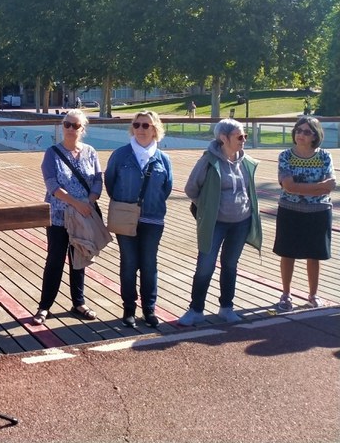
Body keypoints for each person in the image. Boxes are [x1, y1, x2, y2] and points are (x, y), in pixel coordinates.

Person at [180, 119, 262, 325]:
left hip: (241, 223)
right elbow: (191, 189)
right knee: (205, 266)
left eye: (244, 136)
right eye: (239, 136)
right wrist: (207, 207)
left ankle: (226, 307)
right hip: (216, 223)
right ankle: (195, 310)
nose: (244, 140)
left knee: (230, 265)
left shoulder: (246, 161)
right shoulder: (209, 161)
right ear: (223, 138)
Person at [32, 109, 102, 325]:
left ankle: (78, 302)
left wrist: (88, 201)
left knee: (78, 258)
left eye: (75, 125)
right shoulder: (52, 153)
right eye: (67, 124)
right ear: (62, 126)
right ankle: (44, 307)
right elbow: (52, 185)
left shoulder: (90, 152)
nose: (70, 128)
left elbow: (98, 180)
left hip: (83, 215)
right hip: (59, 216)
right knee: (55, 260)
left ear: (83, 129)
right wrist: (77, 204)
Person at [104, 111, 173, 328]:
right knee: (129, 263)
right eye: (137, 125)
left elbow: (167, 187)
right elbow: (110, 183)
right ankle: (129, 309)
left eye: (146, 125)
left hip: (153, 219)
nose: (141, 130)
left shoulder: (163, 159)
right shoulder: (120, 155)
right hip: (125, 218)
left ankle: (149, 309)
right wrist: (127, 203)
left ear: (155, 130)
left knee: (149, 264)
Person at [273, 117, 335, 311]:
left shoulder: (325, 156)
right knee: (287, 253)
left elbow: (329, 186)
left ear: (315, 135)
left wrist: (299, 188)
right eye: (298, 130)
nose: (301, 134)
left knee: (314, 255)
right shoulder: (285, 156)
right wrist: (317, 188)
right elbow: (288, 186)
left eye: (307, 132)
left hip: (318, 212)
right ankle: (286, 295)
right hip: (290, 211)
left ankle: (313, 295)